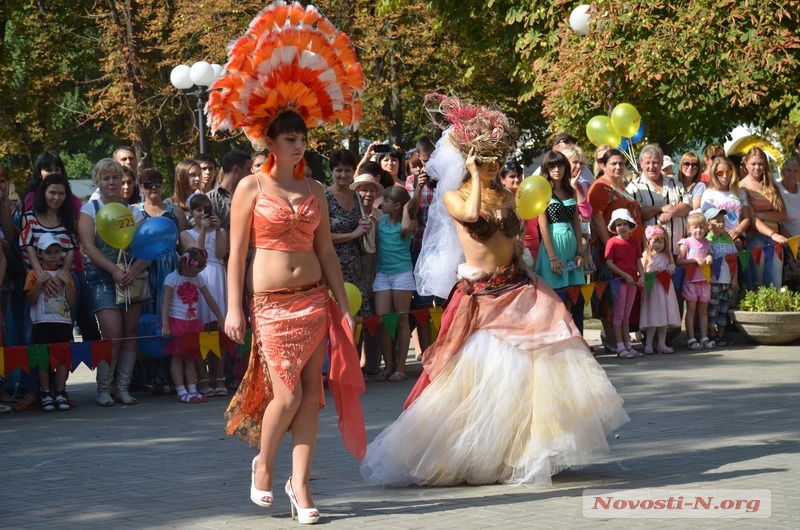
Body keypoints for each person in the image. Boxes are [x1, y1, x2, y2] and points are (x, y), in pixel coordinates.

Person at [360, 94, 628, 487]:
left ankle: (523, 450)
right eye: (486, 160)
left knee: (533, 368)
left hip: (516, 285)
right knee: (489, 373)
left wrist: (525, 264)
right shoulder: (455, 195)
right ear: (470, 160)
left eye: (496, 160)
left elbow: (515, 238)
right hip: (483, 297)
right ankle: (478, 451)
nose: (494, 166)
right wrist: (471, 174)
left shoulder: (506, 195)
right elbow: (470, 217)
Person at [206, 4, 367, 520]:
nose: (300, 147)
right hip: (270, 305)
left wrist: (342, 306)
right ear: (270, 141)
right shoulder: (250, 188)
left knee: (312, 392)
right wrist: (234, 310)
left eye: (303, 140)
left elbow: (327, 252)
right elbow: (234, 256)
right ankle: (263, 464)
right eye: (291, 139)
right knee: (288, 391)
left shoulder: (316, 189)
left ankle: (302, 489)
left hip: (314, 300)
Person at [78, 158, 150, 406]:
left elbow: (146, 246)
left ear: (123, 182)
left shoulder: (134, 211)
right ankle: (103, 389)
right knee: (112, 333)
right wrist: (114, 271)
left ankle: (123, 388)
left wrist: (135, 269)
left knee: (130, 333)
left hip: (132, 277)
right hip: (102, 277)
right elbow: (88, 246)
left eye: (116, 177)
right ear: (98, 181)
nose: (111, 182)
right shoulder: (90, 209)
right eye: (106, 178)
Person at [587, 149, 643, 353]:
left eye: (621, 163)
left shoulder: (620, 186)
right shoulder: (600, 187)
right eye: (613, 164)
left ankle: (622, 340)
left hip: (628, 250)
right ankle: (612, 339)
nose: (618, 167)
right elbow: (597, 217)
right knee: (610, 296)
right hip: (609, 251)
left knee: (623, 298)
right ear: (602, 165)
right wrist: (612, 246)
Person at [136, 168, 187, 394]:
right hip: (146, 269)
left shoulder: (174, 212)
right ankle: (151, 376)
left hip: (170, 268)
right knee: (150, 318)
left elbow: (185, 242)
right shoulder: (135, 213)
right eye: (148, 183)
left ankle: (171, 374)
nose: (153, 186)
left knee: (171, 316)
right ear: (141, 187)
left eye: (157, 182)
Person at [162, 247, 225, 404]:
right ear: (187, 264)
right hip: (177, 322)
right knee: (177, 357)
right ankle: (181, 390)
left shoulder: (197, 279)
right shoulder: (172, 278)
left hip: (193, 323)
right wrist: (165, 324)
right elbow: (165, 302)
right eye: (196, 270)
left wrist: (220, 317)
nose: (197, 274)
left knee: (191, 356)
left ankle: (191, 388)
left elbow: (209, 298)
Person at [180, 193, 229, 397]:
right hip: (198, 276)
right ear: (192, 212)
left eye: (206, 209)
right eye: (198, 210)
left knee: (217, 329)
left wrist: (216, 230)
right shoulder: (185, 234)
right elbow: (197, 255)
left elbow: (219, 254)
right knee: (199, 330)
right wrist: (202, 230)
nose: (203, 213)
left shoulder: (221, 231)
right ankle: (201, 377)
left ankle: (219, 377)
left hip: (217, 275)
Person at [534, 151, 586, 331]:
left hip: (571, 242)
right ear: (546, 168)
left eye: (560, 165)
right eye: (552, 166)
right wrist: (552, 258)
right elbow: (543, 226)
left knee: (577, 296)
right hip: (553, 245)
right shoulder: (542, 191)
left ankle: (579, 339)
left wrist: (580, 251)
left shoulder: (571, 190)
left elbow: (577, 224)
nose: (556, 169)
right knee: (556, 298)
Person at [24, 233, 76, 411]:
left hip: (63, 322)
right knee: (42, 358)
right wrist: (38, 283)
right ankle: (45, 392)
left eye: (56, 251)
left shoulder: (65, 274)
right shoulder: (33, 274)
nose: (53, 256)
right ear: (40, 254)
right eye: (48, 252)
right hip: (41, 322)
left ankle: (61, 392)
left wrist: (67, 284)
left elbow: (72, 300)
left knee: (62, 357)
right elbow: (30, 299)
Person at [372, 185, 418, 382]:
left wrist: (407, 209)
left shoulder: (409, 222)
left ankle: (401, 367)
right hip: (383, 274)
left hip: (402, 274)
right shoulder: (380, 221)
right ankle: (388, 365)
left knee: (401, 319)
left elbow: (407, 228)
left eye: (388, 201)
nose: (383, 203)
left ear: (398, 205)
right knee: (382, 320)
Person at [326, 148, 373, 317]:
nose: (343, 174)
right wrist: (354, 234)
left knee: (360, 317)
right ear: (332, 171)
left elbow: (360, 228)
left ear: (354, 172)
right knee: (335, 318)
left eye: (347, 170)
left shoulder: (357, 197)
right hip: (332, 267)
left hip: (356, 266)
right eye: (339, 170)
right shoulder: (324, 197)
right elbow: (321, 238)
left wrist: (365, 225)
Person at [626, 144, 690, 257]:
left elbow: (687, 205)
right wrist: (659, 208)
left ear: (661, 163)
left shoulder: (674, 183)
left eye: (655, 162)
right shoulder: (634, 187)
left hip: (679, 251)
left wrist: (671, 211)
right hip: (651, 255)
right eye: (647, 163)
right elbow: (636, 214)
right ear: (641, 164)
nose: (652, 166)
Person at [350, 173, 383, 377]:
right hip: (353, 270)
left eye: (371, 189)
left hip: (377, 270)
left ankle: (373, 364)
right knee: (354, 319)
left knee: (374, 320)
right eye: (363, 189)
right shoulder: (351, 215)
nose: (368, 194)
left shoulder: (381, 216)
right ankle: (352, 366)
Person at [740, 147, 786, 287]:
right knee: (758, 282)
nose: (757, 167)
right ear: (746, 164)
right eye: (753, 164)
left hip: (775, 237)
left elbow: (782, 214)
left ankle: (775, 307)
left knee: (775, 281)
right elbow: (752, 220)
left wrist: (761, 214)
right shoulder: (742, 187)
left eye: (760, 164)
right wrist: (772, 233)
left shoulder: (770, 184)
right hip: (755, 237)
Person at [604, 209, 645, 359]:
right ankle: (620, 347)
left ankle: (628, 345)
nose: (622, 227)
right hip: (619, 282)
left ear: (630, 225)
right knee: (619, 315)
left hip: (632, 282)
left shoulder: (634, 242)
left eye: (624, 224)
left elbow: (638, 261)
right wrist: (625, 275)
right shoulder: (612, 242)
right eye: (618, 224)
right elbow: (609, 263)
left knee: (627, 316)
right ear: (614, 227)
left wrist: (642, 276)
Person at [677, 212, 715, 351]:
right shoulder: (685, 242)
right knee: (691, 310)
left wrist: (709, 256)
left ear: (705, 228)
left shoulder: (706, 242)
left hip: (704, 281)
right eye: (695, 227)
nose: (698, 230)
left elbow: (708, 253)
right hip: (690, 281)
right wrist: (693, 260)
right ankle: (691, 338)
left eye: (701, 227)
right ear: (689, 229)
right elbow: (679, 260)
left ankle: (704, 337)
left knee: (703, 310)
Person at [639, 225, 680, 354]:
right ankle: (649, 344)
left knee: (664, 317)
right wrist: (644, 276)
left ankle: (662, 344)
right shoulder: (647, 254)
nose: (657, 244)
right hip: (652, 288)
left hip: (665, 288)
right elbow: (641, 270)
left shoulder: (667, 255)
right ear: (648, 241)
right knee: (654, 316)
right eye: (654, 241)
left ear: (665, 242)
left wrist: (672, 266)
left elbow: (671, 264)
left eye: (660, 241)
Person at [700, 155, 750, 248]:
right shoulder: (708, 193)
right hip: (718, 240)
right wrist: (725, 236)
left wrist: (738, 230)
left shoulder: (740, 192)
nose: (725, 176)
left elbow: (747, 218)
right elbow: (707, 221)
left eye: (728, 172)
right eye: (720, 173)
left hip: (739, 238)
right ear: (714, 173)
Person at [705, 208, 738, 346]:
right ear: (708, 225)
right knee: (712, 308)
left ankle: (721, 334)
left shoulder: (728, 240)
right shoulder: (706, 240)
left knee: (724, 308)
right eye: (717, 221)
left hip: (727, 280)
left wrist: (734, 279)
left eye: (722, 221)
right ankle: (712, 334)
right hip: (713, 281)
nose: (721, 224)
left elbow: (735, 260)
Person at [502, 160, 540, 258]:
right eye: (512, 176)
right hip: (515, 251)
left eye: (519, 175)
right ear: (502, 180)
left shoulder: (530, 197)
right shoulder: (501, 202)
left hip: (536, 250)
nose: (517, 179)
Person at [207, 149, 251, 232]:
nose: (251, 173)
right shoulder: (210, 199)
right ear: (236, 169)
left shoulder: (249, 196)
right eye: (248, 169)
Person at [778, 159, 800, 291]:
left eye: (796, 171)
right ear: (782, 171)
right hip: (788, 242)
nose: (792, 174)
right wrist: (792, 242)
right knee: (791, 281)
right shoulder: (777, 189)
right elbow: (778, 220)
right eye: (789, 170)